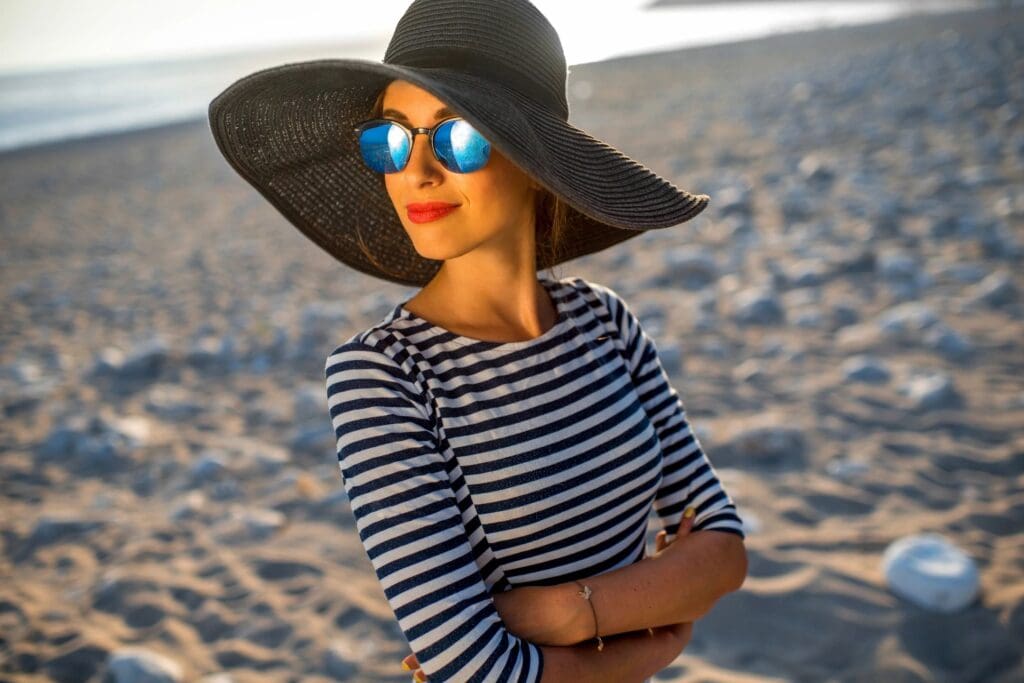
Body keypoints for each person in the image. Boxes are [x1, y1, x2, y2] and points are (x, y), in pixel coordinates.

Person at [208, 1, 747, 681]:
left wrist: (562, 614)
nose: (417, 171)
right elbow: (472, 669)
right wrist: (655, 634)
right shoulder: (383, 376)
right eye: (392, 140)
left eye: (458, 137)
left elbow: (725, 548)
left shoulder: (606, 322)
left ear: (534, 159)